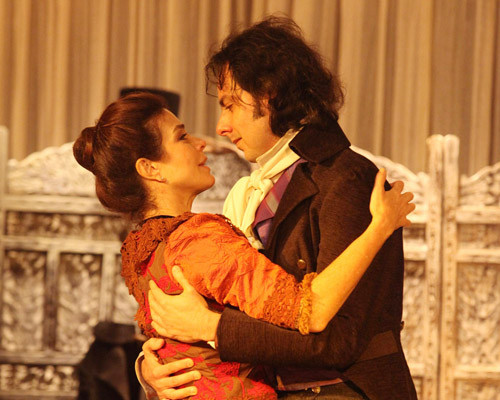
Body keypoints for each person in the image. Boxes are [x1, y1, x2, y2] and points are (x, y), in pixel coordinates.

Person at [139, 16, 418, 400]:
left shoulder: (346, 179)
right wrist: (151, 366)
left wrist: (210, 328)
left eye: (230, 105)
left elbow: (338, 339)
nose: (220, 127)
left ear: (268, 94)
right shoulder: (251, 191)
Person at [73, 91, 414, 400]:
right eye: (182, 137)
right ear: (150, 168)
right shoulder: (200, 239)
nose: (204, 141)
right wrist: (379, 227)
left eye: (230, 105)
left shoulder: (142, 245)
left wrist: (154, 365)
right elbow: (310, 309)